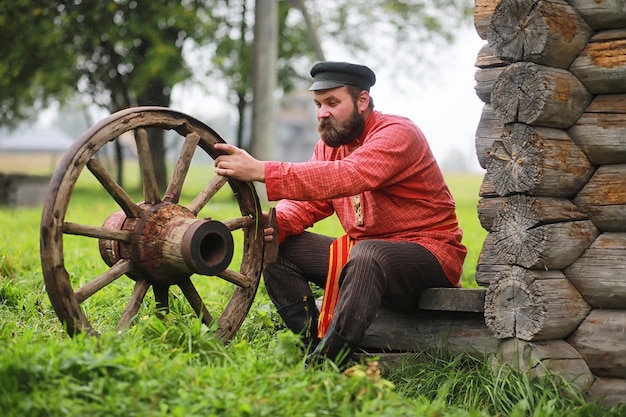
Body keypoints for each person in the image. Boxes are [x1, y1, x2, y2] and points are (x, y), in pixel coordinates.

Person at [214, 61, 467, 368]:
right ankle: (315, 347)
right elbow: (310, 202)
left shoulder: (398, 133)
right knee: (280, 245)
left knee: (369, 252)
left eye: (333, 103)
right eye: (318, 104)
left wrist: (261, 170)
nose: (322, 113)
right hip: (365, 259)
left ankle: (329, 363)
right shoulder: (329, 146)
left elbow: (350, 175)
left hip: (429, 254)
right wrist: (279, 223)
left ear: (362, 101)